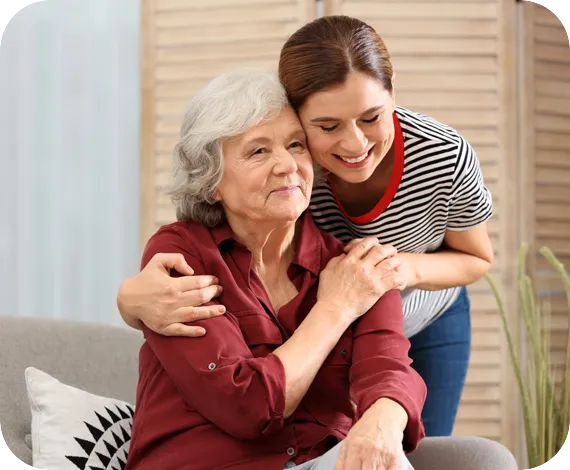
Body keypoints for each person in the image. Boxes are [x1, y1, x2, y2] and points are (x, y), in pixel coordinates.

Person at [118, 15, 494, 438]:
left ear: (393, 94)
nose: (354, 144)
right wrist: (128, 300)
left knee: (421, 441)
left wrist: (396, 269)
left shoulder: (442, 155)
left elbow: (477, 258)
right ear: (298, 115)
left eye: (372, 117)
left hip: (418, 303)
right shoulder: (295, 165)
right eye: (328, 126)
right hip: (336, 301)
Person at [124, 69, 426, 470]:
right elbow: (246, 405)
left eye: (296, 145)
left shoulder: (356, 266)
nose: (287, 165)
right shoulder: (181, 255)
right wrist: (336, 308)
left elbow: (389, 369)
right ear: (211, 180)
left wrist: (382, 422)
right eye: (258, 152)